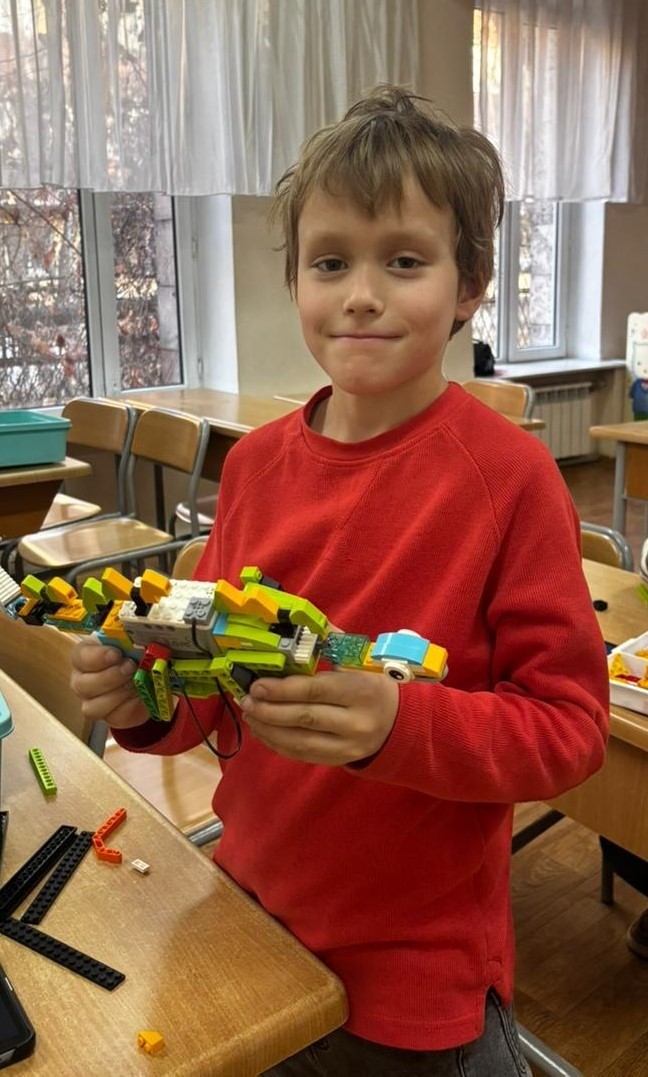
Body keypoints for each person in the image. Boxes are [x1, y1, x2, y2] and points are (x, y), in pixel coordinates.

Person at [70, 86, 609, 1076]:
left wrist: (400, 726)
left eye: (403, 261)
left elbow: (570, 730)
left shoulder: (511, 479)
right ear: (296, 281)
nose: (361, 294)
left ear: (470, 284)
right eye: (330, 262)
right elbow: (213, 683)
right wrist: (144, 700)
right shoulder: (256, 466)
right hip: (250, 916)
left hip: (412, 981)